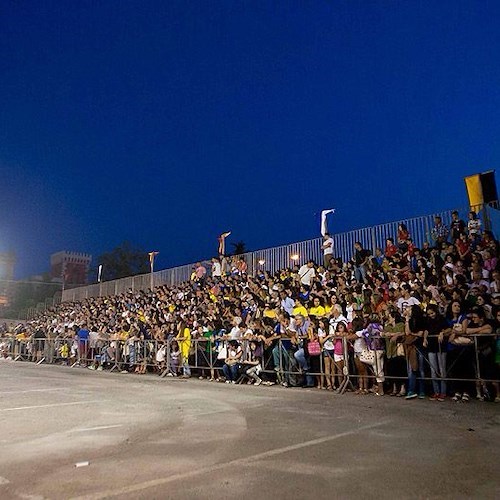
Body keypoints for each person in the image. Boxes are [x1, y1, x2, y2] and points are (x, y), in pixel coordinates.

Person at [425, 304, 448, 401]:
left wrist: (442, 333)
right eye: (429, 314)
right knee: (433, 370)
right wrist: (425, 339)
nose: (431, 315)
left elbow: (448, 328)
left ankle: (443, 392)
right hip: (431, 346)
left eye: (432, 313)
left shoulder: (442, 319)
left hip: (441, 346)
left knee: (442, 369)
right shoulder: (428, 320)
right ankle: (436, 391)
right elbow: (426, 330)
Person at [404, 305, 426, 400]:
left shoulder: (421, 320)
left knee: (420, 369)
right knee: (411, 369)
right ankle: (411, 390)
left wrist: (413, 334)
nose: (407, 310)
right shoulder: (410, 320)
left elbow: (420, 333)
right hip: (411, 347)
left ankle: (422, 390)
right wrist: (407, 320)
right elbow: (407, 332)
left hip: (419, 346)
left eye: (409, 309)